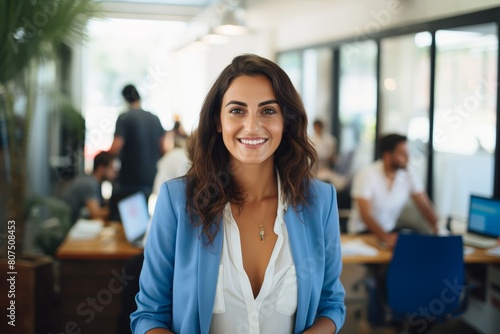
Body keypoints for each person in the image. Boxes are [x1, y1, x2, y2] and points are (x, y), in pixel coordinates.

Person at [130, 54, 346, 333]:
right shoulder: (177, 202)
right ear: (218, 121)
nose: (253, 126)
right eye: (237, 110)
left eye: (268, 111)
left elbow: (331, 303)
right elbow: (149, 315)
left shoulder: (320, 202)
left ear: (286, 121)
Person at [347, 133, 439, 248]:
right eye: (402, 154)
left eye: (407, 153)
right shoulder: (366, 175)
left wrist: (439, 228)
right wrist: (386, 238)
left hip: (389, 231)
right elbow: (367, 216)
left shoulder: (409, 174)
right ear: (387, 155)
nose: (407, 158)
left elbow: (424, 206)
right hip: (363, 232)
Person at [108, 84, 166, 219]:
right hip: (151, 176)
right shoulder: (154, 118)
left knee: (128, 218)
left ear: (125, 99)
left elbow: (117, 145)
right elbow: (163, 147)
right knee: (142, 215)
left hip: (130, 179)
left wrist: (107, 157)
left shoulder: (124, 117)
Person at [62, 151, 116, 225]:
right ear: (101, 168)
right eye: (111, 168)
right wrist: (116, 209)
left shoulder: (93, 181)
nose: (114, 172)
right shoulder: (90, 184)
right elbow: (95, 214)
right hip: (68, 225)